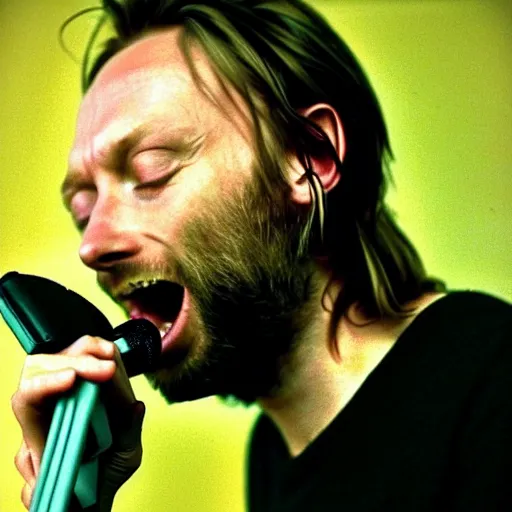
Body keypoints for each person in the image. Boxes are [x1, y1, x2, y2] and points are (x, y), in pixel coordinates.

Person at [10, 0, 511, 510]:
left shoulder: (495, 381)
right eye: (83, 207)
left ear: (310, 157)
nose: (92, 245)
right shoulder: (272, 450)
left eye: (151, 168)